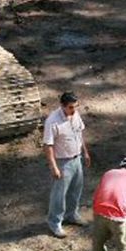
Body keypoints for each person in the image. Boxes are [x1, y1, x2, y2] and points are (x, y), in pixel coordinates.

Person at [43, 92, 92, 238]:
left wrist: (86, 153)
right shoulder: (52, 121)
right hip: (62, 161)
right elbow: (48, 145)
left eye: (76, 107)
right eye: (71, 107)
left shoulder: (75, 115)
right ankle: (55, 223)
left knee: (76, 189)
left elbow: (79, 134)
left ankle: (72, 214)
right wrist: (54, 166)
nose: (74, 110)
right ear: (62, 106)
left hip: (77, 158)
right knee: (59, 194)